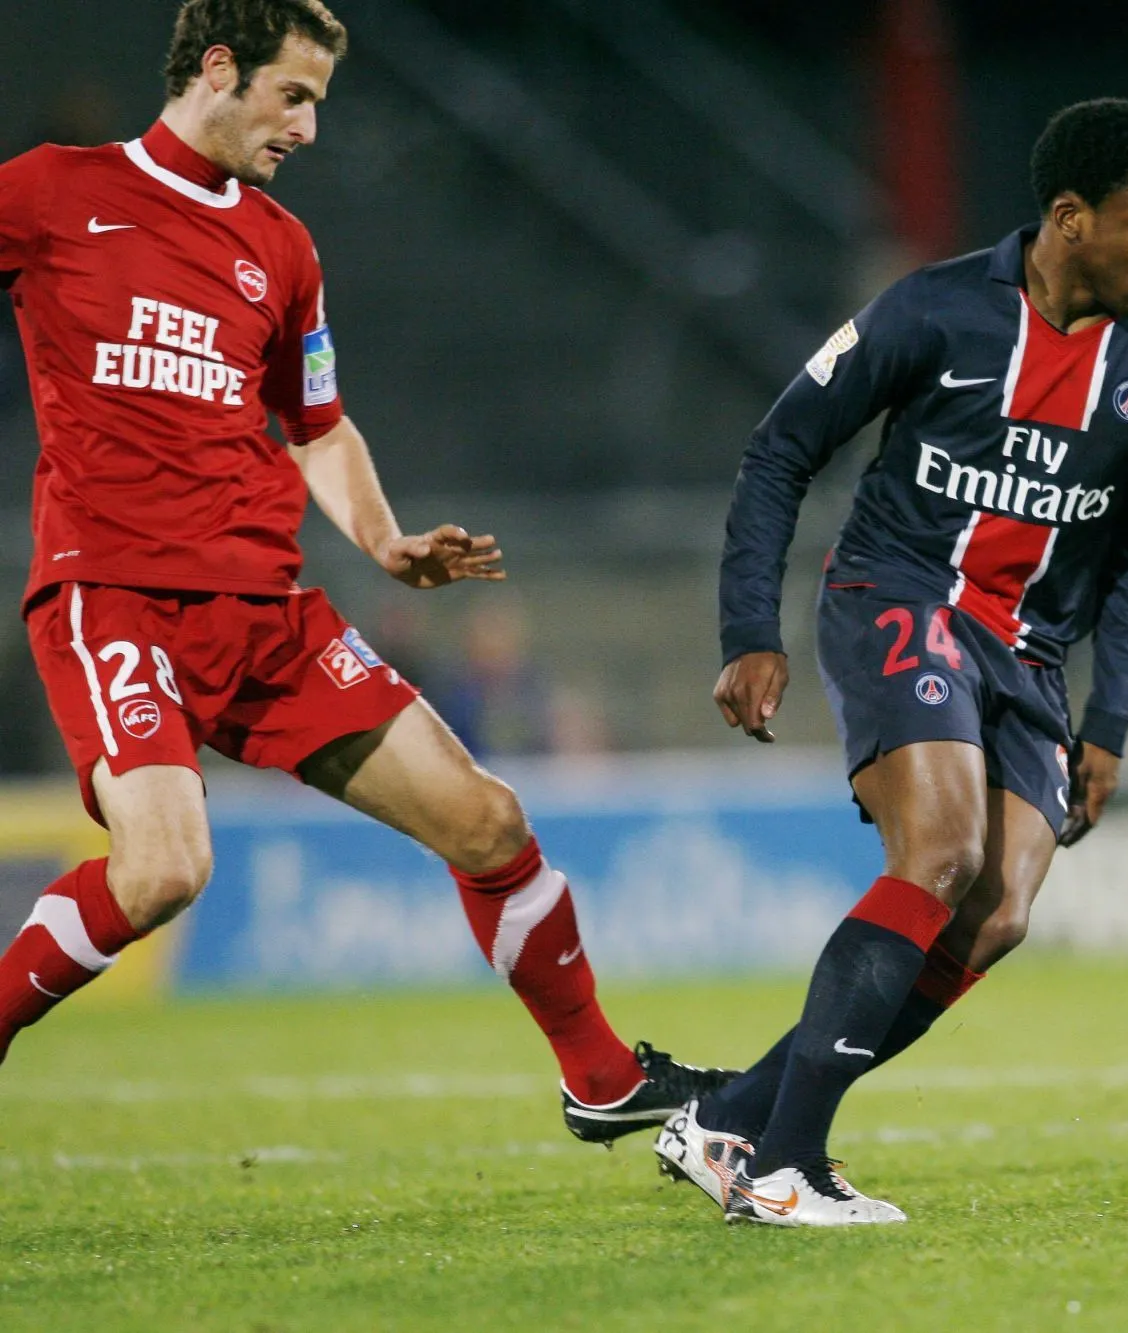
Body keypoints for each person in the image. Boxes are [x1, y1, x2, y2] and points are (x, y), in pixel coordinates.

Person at [0, 0, 729, 1143]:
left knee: (488, 821)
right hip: (117, 597)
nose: (307, 126)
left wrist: (383, 540)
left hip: (268, 614)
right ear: (220, 67)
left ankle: (598, 1078)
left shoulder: (279, 249)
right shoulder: (50, 192)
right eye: (293, 96)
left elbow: (320, 426)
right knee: (163, 867)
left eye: (318, 104)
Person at [661, 97, 1128, 1226]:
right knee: (942, 853)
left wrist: (1108, 720)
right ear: (1070, 218)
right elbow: (779, 452)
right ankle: (783, 1170)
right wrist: (748, 633)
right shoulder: (933, 311)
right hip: (898, 596)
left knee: (995, 912)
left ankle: (729, 1120)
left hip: (1029, 649)